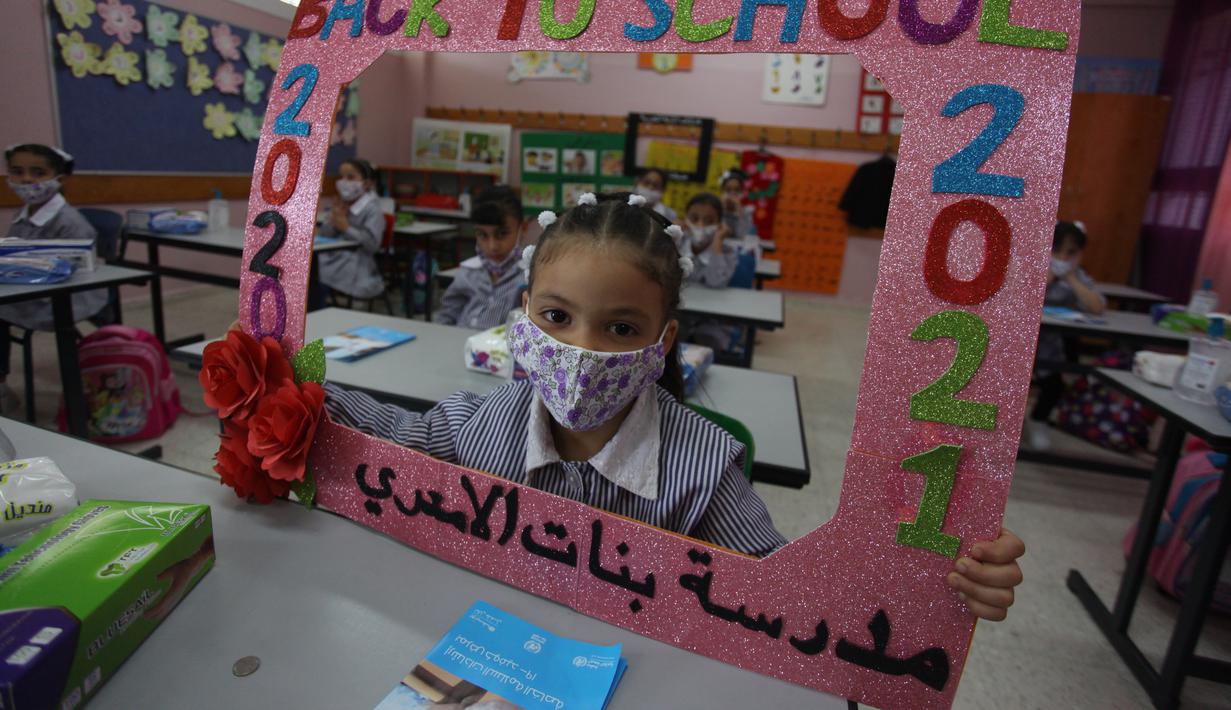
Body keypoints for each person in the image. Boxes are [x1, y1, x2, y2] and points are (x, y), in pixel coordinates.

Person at [324, 192, 1026, 621]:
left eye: (620, 328)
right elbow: (394, 437)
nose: (584, 348)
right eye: (557, 316)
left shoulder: (700, 472)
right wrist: (298, 389)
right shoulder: (480, 422)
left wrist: (939, 585)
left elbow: (786, 590)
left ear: (662, 343)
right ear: (520, 318)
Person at [1, 143, 108, 416]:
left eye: (37, 172)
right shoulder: (24, 216)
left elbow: (76, 272)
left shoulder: (71, 222)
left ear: (58, 177)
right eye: (17, 172)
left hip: (67, 296)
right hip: (32, 290)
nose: (26, 180)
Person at [1025, 220, 1106, 450]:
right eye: (1056, 250)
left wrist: (1070, 277)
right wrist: (1049, 275)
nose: (1062, 257)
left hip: (1055, 344)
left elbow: (1097, 306)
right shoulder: (1035, 269)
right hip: (1028, 341)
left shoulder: (1079, 277)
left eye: (1070, 252)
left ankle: (1040, 419)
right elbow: (1025, 299)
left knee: (1055, 383)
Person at [435, 185, 527, 330]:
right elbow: (447, 314)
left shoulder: (530, 274)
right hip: (462, 342)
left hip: (504, 348)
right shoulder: (468, 271)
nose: (492, 246)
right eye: (482, 235)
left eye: (502, 234)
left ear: (522, 228)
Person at [316, 158, 386, 306]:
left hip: (358, 261)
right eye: (341, 177)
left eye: (350, 177)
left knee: (317, 275)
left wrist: (346, 227)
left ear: (366, 183)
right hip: (336, 256)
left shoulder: (372, 209)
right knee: (313, 267)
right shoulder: (342, 203)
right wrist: (334, 218)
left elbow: (372, 245)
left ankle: (320, 303)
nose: (343, 182)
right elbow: (323, 236)